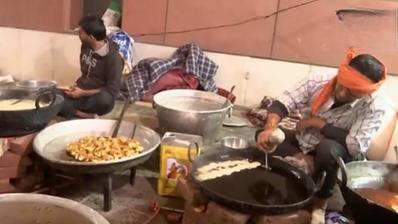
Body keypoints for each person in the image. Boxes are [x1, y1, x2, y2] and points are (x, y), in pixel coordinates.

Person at [256, 48, 387, 208]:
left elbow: (355, 145)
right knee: (263, 136)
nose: (344, 93)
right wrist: (270, 127)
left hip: (340, 152)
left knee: (327, 149)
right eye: (343, 84)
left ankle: (321, 198)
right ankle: (303, 161)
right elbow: (283, 102)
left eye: (353, 92)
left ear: (366, 92)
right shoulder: (318, 80)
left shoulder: (374, 106)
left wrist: (318, 123)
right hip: (304, 142)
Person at [58, 15, 123, 119]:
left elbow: (112, 90)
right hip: (80, 91)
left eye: (81, 33)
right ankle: (83, 114)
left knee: (105, 100)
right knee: (50, 94)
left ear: (91, 37)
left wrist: (82, 93)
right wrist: (77, 89)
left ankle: (67, 109)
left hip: (95, 97)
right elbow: (84, 73)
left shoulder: (114, 59)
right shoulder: (85, 46)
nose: (78, 35)